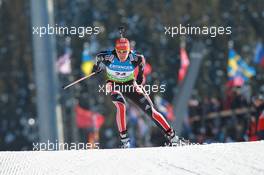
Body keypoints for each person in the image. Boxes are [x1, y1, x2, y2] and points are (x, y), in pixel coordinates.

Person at [91, 35, 183, 148]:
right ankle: (125, 141)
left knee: (151, 111)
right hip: (114, 84)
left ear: (129, 50)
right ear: (115, 50)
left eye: (125, 51)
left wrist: (139, 77)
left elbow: (141, 63)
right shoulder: (108, 57)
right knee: (121, 106)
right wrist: (96, 67)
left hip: (130, 84)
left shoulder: (135, 58)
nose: (122, 54)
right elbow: (99, 57)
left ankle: (174, 138)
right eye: (119, 51)